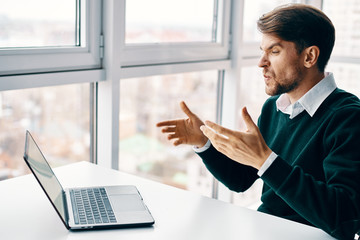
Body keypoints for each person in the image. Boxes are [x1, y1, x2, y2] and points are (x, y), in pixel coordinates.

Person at [156, 3, 360, 240]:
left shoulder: (348, 117)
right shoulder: (275, 108)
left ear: (309, 56)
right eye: (262, 51)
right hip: (264, 229)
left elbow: (344, 217)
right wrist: (204, 144)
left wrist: (266, 160)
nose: (261, 62)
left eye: (274, 51)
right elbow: (241, 179)